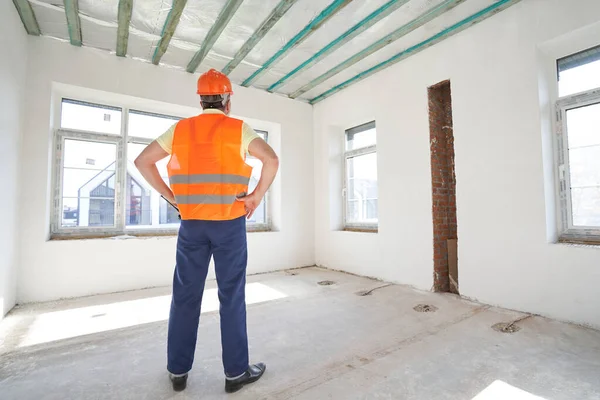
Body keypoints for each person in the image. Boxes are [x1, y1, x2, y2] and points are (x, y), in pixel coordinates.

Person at [134, 69, 279, 393]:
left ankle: (178, 371)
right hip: (229, 224)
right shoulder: (238, 129)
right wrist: (256, 196)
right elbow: (270, 158)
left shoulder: (180, 130)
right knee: (231, 296)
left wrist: (171, 198)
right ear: (227, 100)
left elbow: (143, 161)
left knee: (185, 296)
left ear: (201, 100)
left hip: (192, 225)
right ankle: (235, 373)